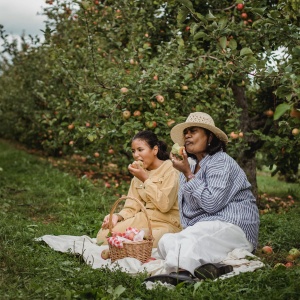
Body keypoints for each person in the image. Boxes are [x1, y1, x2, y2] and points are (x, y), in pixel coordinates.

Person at [145, 112, 260, 283]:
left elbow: (211, 203)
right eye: (186, 132)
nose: (187, 135)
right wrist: (186, 172)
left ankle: (181, 275)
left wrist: (188, 175)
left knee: (190, 242)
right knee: (166, 241)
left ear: (210, 137)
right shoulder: (190, 165)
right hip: (207, 225)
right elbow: (189, 209)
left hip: (234, 225)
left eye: (193, 131)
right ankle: (214, 268)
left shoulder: (220, 161)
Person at [97, 130, 181, 248]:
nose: (136, 155)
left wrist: (145, 179)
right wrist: (118, 216)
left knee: (148, 240)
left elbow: (165, 205)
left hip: (166, 223)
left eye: (140, 150)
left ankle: (132, 242)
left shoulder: (170, 170)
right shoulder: (139, 174)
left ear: (155, 150)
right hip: (145, 219)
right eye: (133, 151)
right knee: (103, 235)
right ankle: (131, 241)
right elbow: (131, 207)